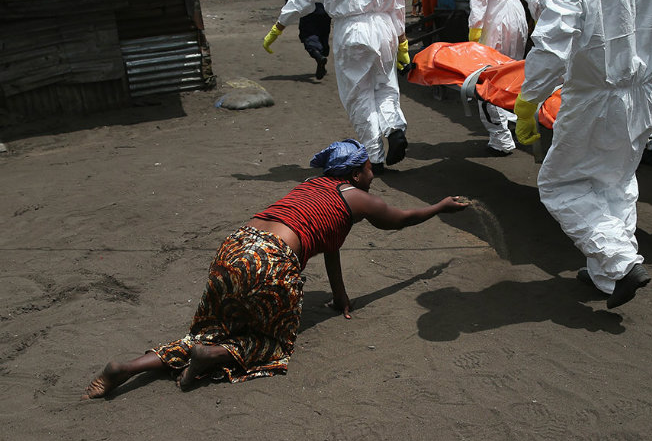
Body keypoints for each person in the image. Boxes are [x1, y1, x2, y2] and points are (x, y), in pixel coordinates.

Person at [82, 139, 470, 399]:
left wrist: (340, 297)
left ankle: (127, 366)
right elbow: (401, 219)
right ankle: (211, 357)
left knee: (210, 328)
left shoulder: (312, 184)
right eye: (369, 167)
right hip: (270, 260)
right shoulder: (358, 198)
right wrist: (439, 206)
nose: (373, 173)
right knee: (271, 345)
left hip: (235, 246)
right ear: (355, 174)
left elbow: (329, 244)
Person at [514, 0, 652, 309]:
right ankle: (609, 277)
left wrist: (529, 101)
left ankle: (620, 261)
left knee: (559, 184)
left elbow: (551, 47)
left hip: (595, 96)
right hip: (642, 95)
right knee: (616, 181)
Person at [263, 0, 411, 174]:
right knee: (386, 86)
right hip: (385, 28)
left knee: (359, 94)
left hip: (351, 31)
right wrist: (403, 43)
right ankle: (394, 128)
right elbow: (397, 3)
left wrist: (279, 26)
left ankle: (374, 159)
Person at [464, 0, 542, 156]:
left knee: (486, 77)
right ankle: (511, 125)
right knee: (512, 72)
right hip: (517, 15)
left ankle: (500, 137)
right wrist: (539, 23)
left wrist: (475, 31)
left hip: (492, 18)